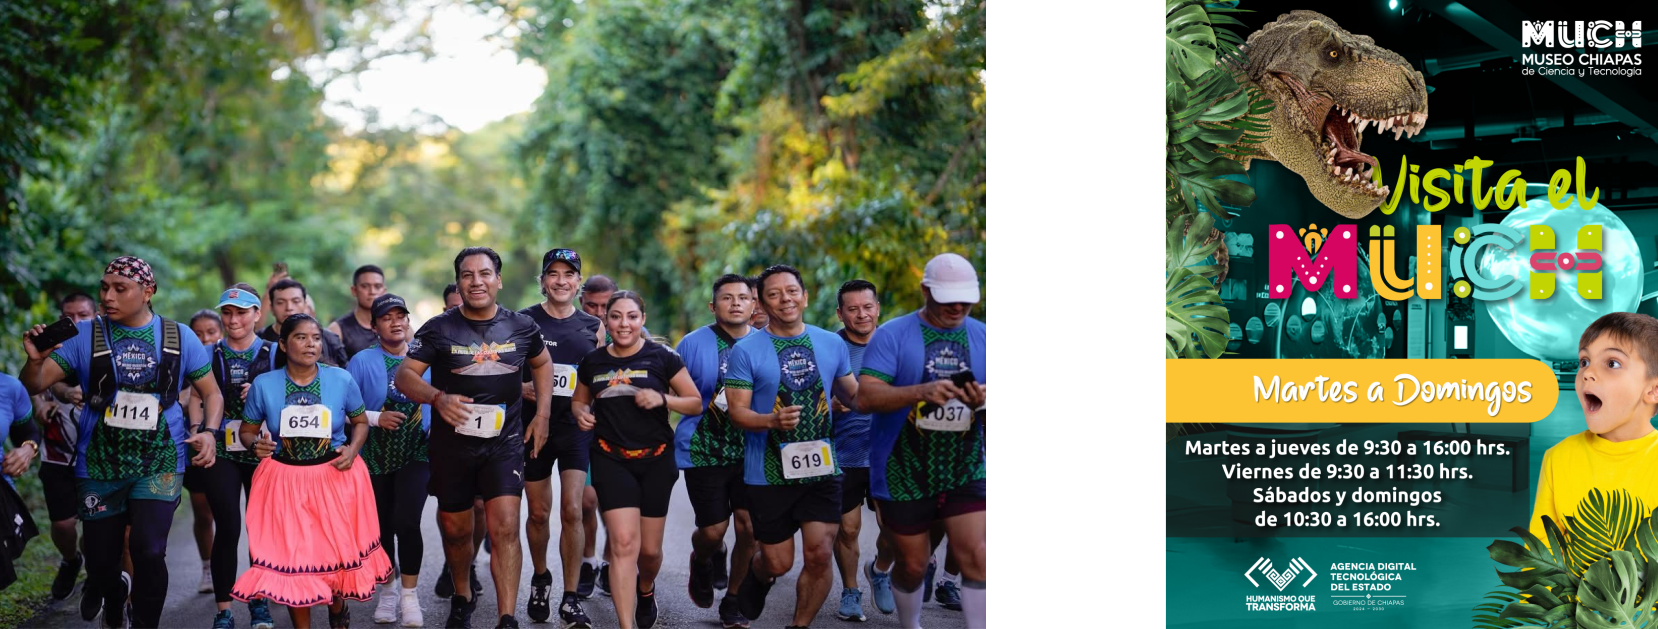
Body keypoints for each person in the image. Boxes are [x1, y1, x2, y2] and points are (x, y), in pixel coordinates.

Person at [20, 255, 223, 629]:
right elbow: (34, 383)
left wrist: (209, 433)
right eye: (104, 287)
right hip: (98, 464)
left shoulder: (179, 336)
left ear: (148, 292)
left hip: (160, 461)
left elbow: (211, 393)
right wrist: (35, 361)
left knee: (150, 550)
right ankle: (114, 600)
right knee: (100, 562)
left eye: (120, 288)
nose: (107, 296)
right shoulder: (84, 335)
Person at [397, 247, 555, 629]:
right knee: (456, 531)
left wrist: (543, 416)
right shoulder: (438, 328)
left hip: (504, 443)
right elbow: (404, 376)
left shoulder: (521, 326)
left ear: (498, 280)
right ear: (458, 282)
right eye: (467, 275)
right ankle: (462, 596)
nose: (476, 281)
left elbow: (542, 363)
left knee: (505, 527)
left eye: (485, 274)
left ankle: (506, 617)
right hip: (452, 446)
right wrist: (437, 398)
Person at [230, 313, 390, 629]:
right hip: (285, 481)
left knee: (334, 555)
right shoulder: (264, 384)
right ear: (283, 344)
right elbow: (247, 431)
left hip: (333, 476)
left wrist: (353, 449)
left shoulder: (341, 379)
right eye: (301, 337)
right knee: (294, 561)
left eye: (316, 338)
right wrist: (255, 445)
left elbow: (360, 422)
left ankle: (336, 606)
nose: (310, 344)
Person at [857, 253, 987, 629]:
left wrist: (983, 401)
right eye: (948, 299)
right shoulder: (892, 335)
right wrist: (921, 392)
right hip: (903, 467)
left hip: (966, 464)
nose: (958, 307)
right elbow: (866, 397)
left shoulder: (986, 336)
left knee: (978, 558)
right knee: (913, 565)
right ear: (925, 290)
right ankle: (911, 624)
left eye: (965, 299)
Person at [726, 265, 859, 629]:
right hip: (767, 473)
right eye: (774, 294)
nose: (785, 299)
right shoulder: (746, 350)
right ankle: (759, 574)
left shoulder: (831, 343)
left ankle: (799, 625)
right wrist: (772, 421)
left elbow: (854, 395)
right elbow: (737, 413)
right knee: (778, 562)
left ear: (805, 297)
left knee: (819, 554)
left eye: (792, 291)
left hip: (822, 468)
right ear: (761, 302)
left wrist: (900, 397)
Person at [572, 290, 701, 629]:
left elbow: (694, 402)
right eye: (616, 316)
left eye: (631, 316)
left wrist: (663, 399)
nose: (623, 323)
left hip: (656, 460)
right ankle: (626, 625)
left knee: (649, 552)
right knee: (623, 543)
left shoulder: (663, 357)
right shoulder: (593, 361)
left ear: (642, 320)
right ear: (606, 320)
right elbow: (579, 401)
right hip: (610, 458)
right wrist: (581, 413)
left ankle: (645, 589)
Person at [517, 249, 604, 627]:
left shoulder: (593, 326)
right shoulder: (523, 321)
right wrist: (522, 388)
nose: (561, 281)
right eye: (553, 274)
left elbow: (600, 377)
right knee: (538, 513)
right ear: (543, 281)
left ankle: (570, 597)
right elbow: (506, 371)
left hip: (575, 428)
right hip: (533, 426)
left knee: (573, 509)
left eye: (569, 274)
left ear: (578, 282)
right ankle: (541, 578)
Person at [191, 286, 283, 629]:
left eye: (242, 312)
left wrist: (263, 392)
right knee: (228, 527)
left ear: (257, 314)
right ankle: (224, 610)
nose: (233, 320)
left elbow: (293, 388)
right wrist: (198, 430)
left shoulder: (274, 352)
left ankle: (260, 602)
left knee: (260, 531)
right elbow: (196, 396)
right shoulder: (207, 352)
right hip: (222, 450)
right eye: (227, 313)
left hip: (263, 449)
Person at [674, 274, 760, 628]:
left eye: (743, 297)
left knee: (749, 528)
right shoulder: (692, 344)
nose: (735, 303)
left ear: (754, 305)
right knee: (713, 530)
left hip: (753, 449)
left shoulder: (767, 344)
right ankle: (703, 558)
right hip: (703, 448)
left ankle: (734, 601)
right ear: (713, 306)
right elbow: (674, 393)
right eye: (727, 297)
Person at [1531, 313, 1658, 543]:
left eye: (1612, 363)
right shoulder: (1557, 459)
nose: (1587, 373)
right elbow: (1540, 549)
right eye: (1584, 362)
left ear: (1653, 390)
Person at [347, 294, 432, 628]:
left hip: (417, 452)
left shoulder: (426, 357)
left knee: (407, 521)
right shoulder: (361, 361)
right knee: (381, 528)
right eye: (387, 318)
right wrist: (375, 418)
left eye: (401, 316)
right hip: (374, 454)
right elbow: (344, 410)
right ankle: (388, 591)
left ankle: (410, 597)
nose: (396, 322)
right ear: (374, 326)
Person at [32, 292, 96, 602]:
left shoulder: (104, 344)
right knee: (62, 524)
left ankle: (96, 572)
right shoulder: (48, 345)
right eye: (69, 316)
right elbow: (32, 383)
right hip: (58, 451)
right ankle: (71, 561)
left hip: (98, 453)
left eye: (83, 315)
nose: (76, 322)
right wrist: (40, 406)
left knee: (98, 527)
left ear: (96, 316)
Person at [829, 279, 881, 621]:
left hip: (887, 454)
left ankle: (880, 568)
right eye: (853, 309)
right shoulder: (829, 348)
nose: (862, 314)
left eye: (867, 307)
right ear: (840, 313)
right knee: (847, 530)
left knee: (896, 530)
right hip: (843, 454)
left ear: (877, 308)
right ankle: (850, 592)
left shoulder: (892, 343)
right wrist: (830, 404)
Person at [184, 308, 226, 595]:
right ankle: (208, 566)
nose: (205, 339)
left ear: (220, 333)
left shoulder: (228, 359)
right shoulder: (181, 360)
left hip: (230, 442)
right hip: (194, 441)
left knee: (229, 513)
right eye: (198, 334)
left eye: (211, 332)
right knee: (203, 512)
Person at [260, 278, 349, 368]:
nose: (289, 307)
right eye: (280, 302)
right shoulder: (259, 340)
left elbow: (345, 372)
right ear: (271, 308)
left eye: (296, 301)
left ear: (305, 304)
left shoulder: (330, 339)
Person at [330, 265, 388, 358]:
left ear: (384, 291)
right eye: (365, 286)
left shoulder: (399, 326)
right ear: (354, 290)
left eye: (377, 286)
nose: (372, 291)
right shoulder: (337, 330)